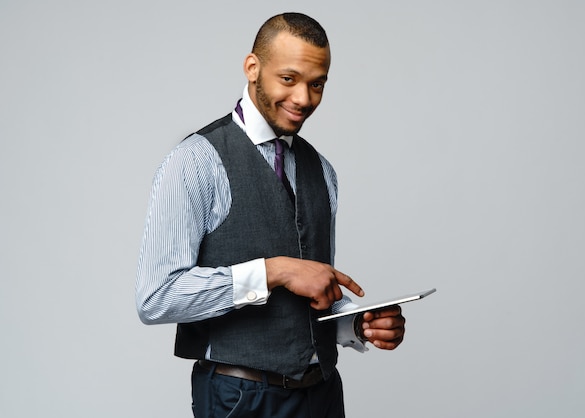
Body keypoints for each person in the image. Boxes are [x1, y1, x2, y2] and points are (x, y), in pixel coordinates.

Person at [136, 12, 406, 418]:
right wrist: (274, 271)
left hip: (322, 395)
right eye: (289, 79)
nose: (303, 98)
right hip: (241, 398)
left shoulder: (322, 171)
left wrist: (356, 325)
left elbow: (306, 304)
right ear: (252, 68)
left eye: (317, 84)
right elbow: (156, 298)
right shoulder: (195, 161)